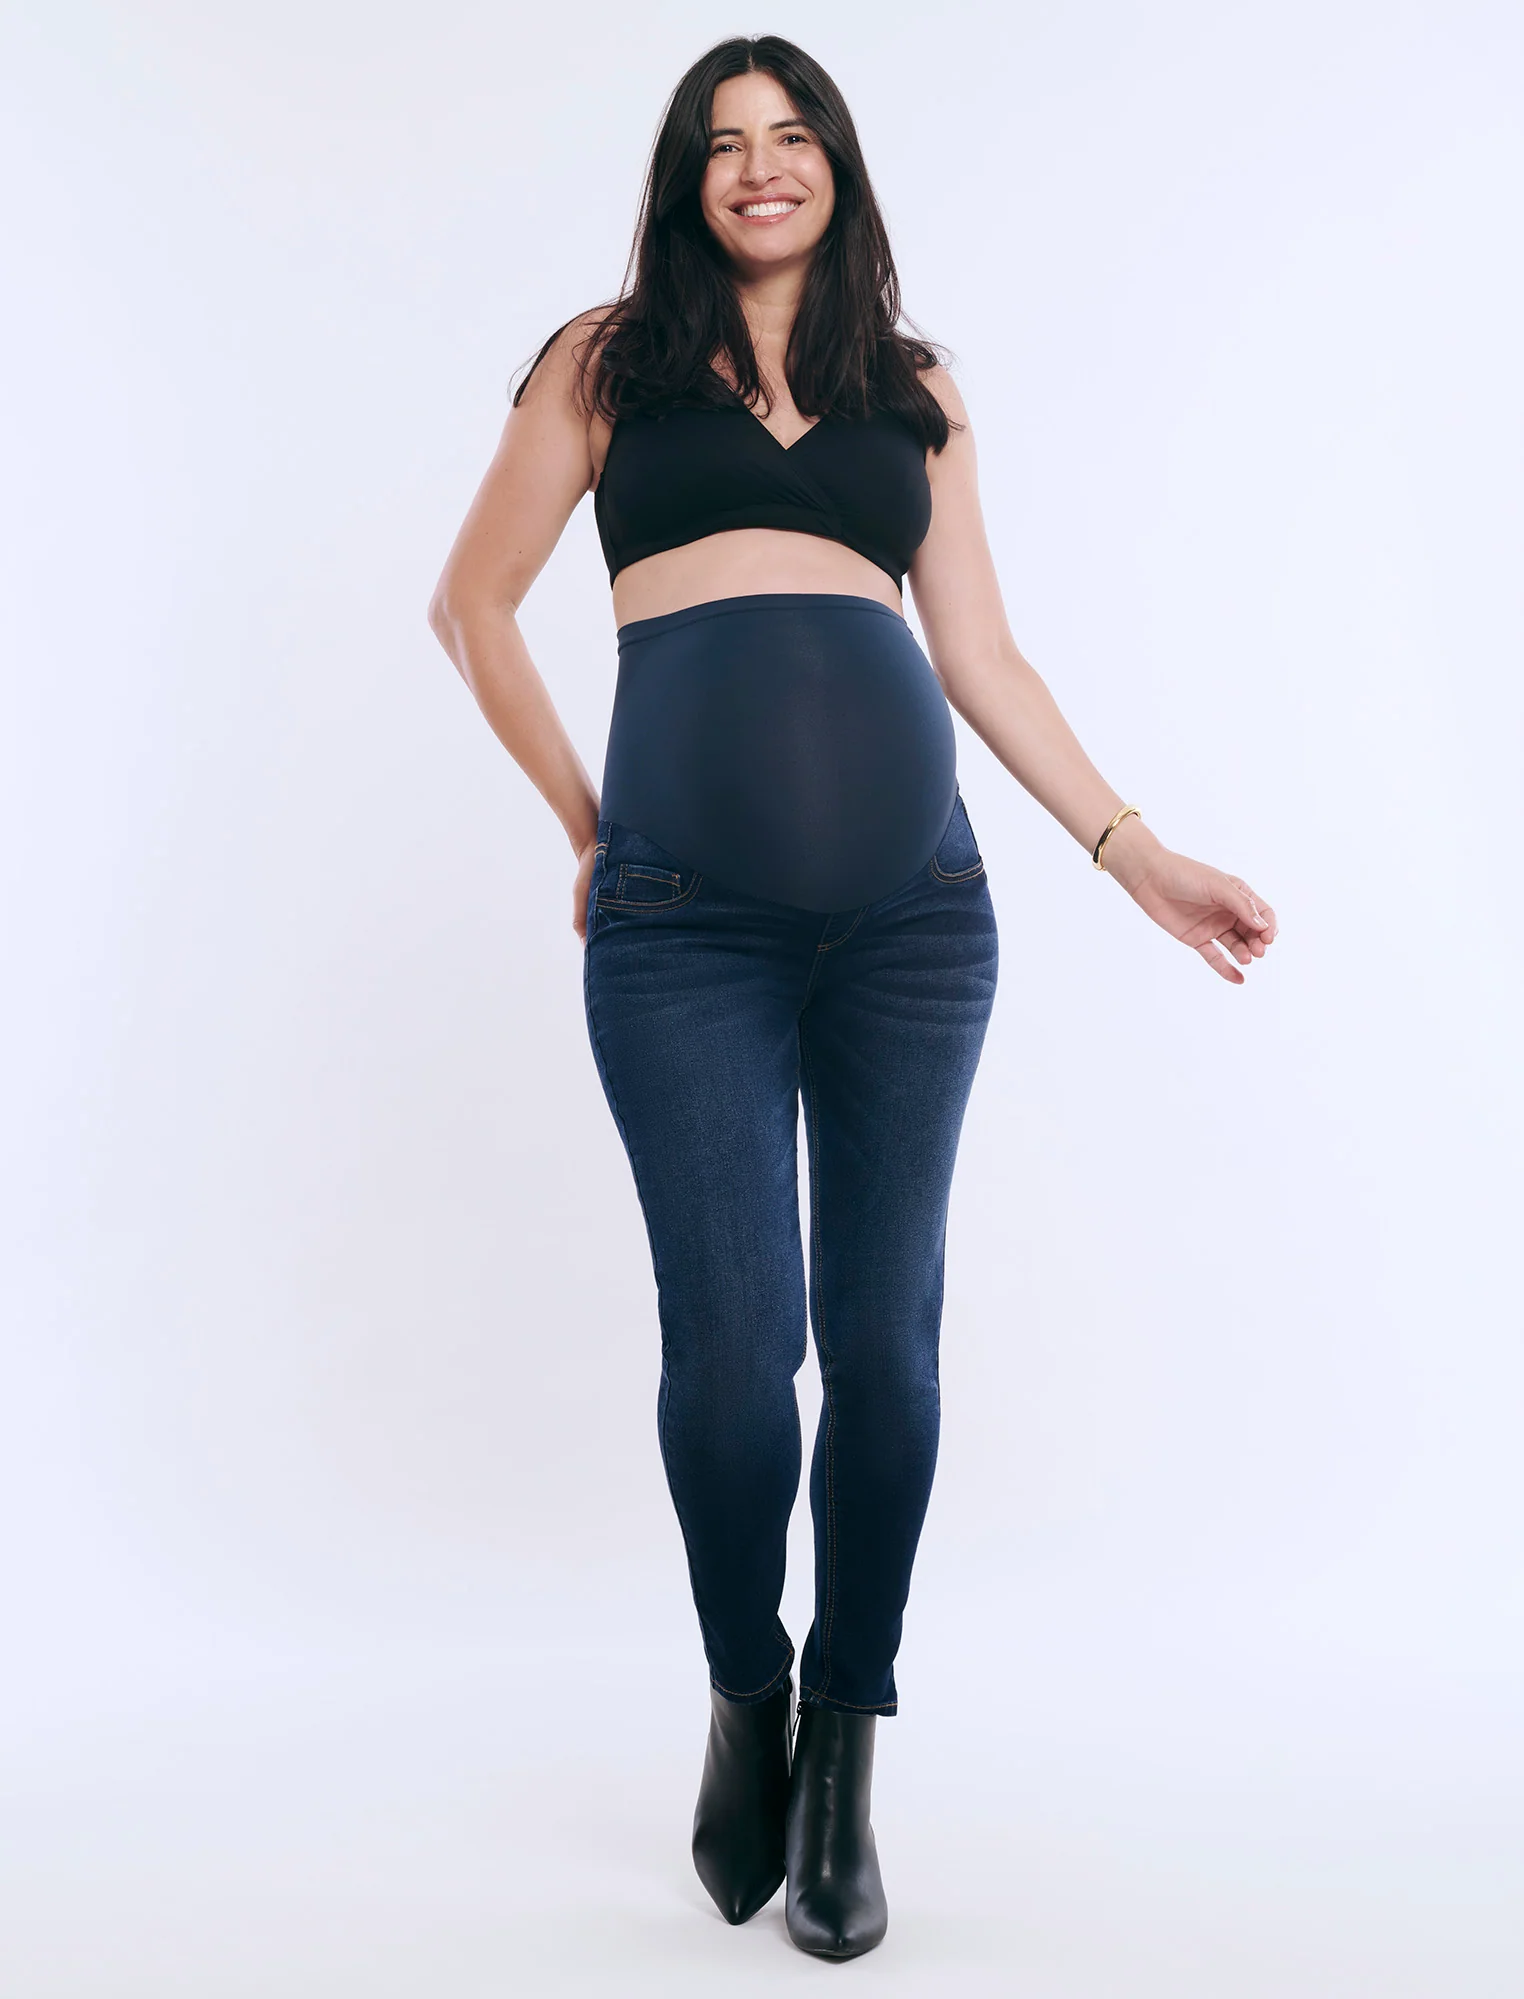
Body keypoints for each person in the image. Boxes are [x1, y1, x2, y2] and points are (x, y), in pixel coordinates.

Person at [427, 33, 1278, 1963]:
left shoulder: (917, 389)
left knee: (887, 1359)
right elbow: (471, 602)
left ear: (839, 167)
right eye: (725, 143)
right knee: (739, 1365)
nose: (761, 167)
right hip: (681, 928)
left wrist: (1137, 854)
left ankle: (843, 1750)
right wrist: (589, 822)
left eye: (791, 136)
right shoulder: (607, 364)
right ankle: (748, 1680)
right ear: (686, 179)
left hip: (918, 924)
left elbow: (982, 655)